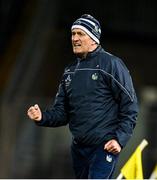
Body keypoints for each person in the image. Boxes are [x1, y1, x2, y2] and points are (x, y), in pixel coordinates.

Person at [27, 14, 139, 179]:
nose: (75, 38)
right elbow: (62, 113)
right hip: (79, 149)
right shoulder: (69, 71)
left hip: (104, 147)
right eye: (73, 34)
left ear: (94, 38)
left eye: (81, 34)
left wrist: (119, 139)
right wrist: (42, 116)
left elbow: (130, 105)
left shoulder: (111, 64)